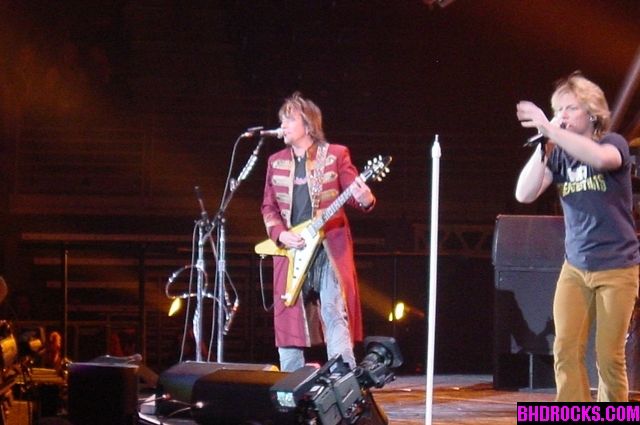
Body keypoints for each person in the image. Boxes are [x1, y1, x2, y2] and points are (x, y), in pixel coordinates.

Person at [515, 71, 640, 401]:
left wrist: (550, 128)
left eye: (570, 108)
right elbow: (524, 194)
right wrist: (544, 145)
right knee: (565, 349)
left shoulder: (612, 143)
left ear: (592, 112)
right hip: (575, 267)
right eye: (558, 110)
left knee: (609, 358)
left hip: (617, 267)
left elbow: (600, 159)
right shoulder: (558, 153)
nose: (563, 116)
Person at [260, 92, 376, 372]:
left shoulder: (336, 154)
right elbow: (268, 206)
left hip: (327, 248)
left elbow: (356, 195)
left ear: (308, 124)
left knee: (333, 311)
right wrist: (281, 235)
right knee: (287, 318)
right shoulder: (275, 160)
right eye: (282, 120)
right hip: (291, 249)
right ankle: (291, 381)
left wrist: (365, 197)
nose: (283, 125)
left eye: (290, 119)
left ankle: (344, 375)